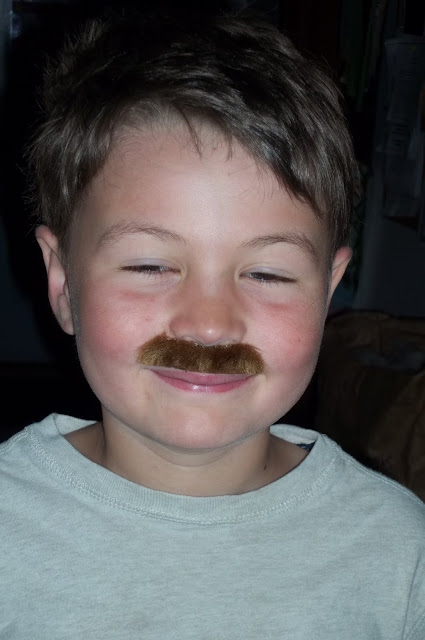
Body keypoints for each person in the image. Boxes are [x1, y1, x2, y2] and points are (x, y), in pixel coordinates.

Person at [1, 9, 424, 639]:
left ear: (328, 291)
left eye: (267, 274)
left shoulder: (400, 556)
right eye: (150, 265)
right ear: (63, 284)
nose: (208, 325)